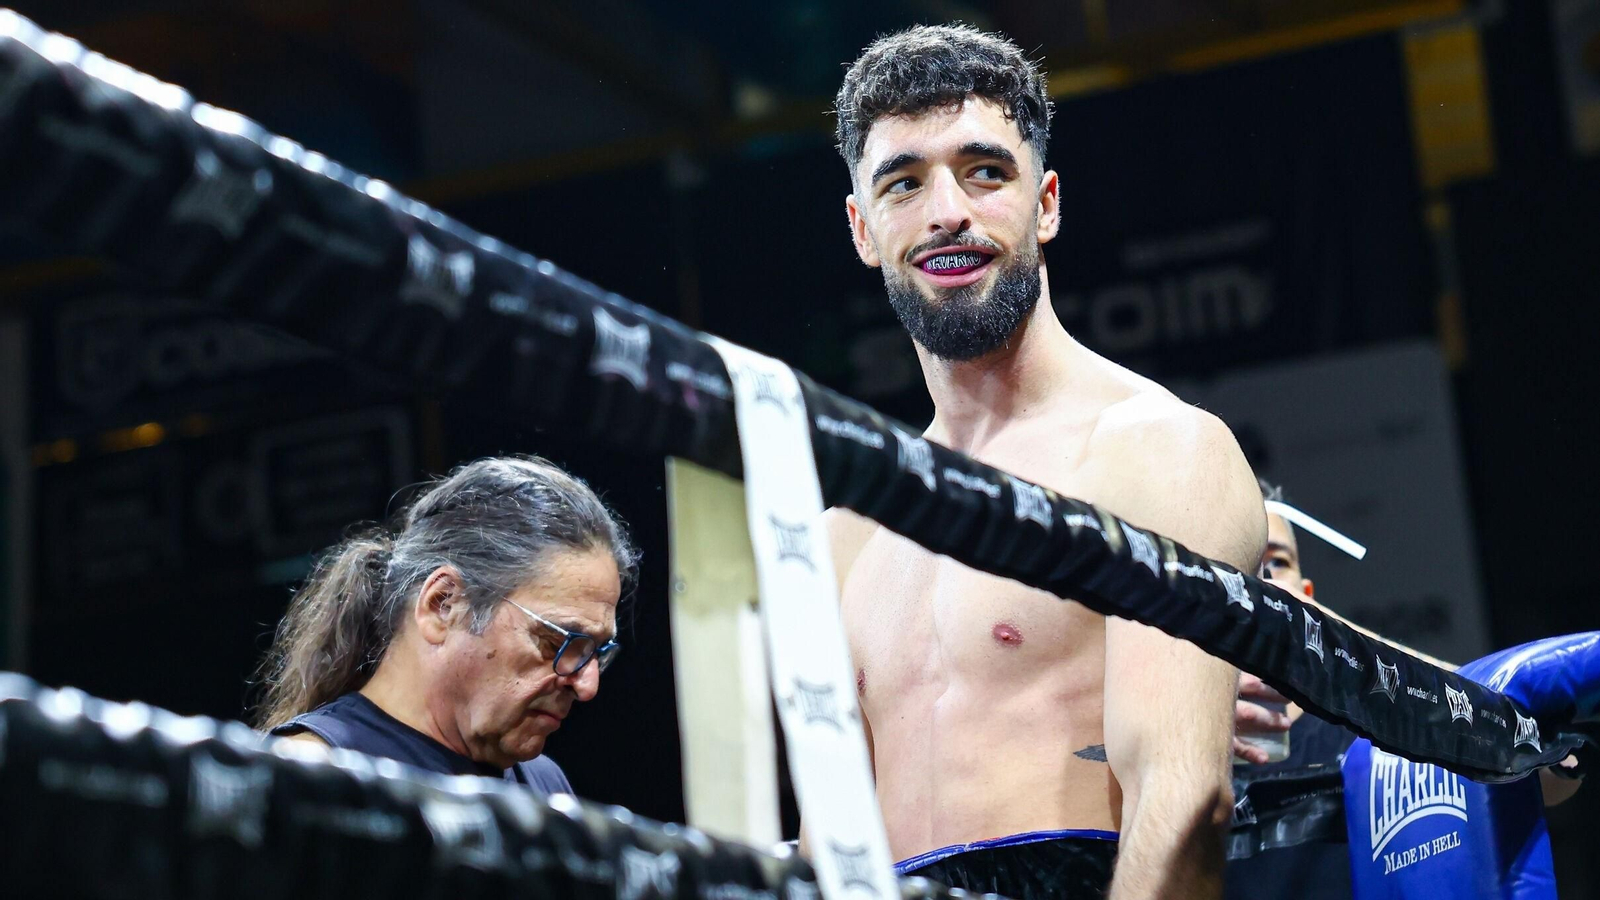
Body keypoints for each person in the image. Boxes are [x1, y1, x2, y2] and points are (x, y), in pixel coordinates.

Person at [823, 24, 1267, 900]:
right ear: (863, 229)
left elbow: (1181, 805)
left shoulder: (1157, 452)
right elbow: (831, 838)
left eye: (984, 172)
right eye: (903, 184)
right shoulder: (850, 530)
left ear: (1047, 203)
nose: (947, 211)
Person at [1227, 482, 1583, 900]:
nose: (1262, 580)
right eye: (1242, 559)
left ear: (1308, 593)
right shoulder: (1165, 735)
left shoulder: (1371, 724)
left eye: (1277, 561)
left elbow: (1552, 774)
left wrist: (1333, 635)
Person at [254, 455, 637, 794]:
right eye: (557, 641)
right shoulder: (308, 776)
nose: (587, 686)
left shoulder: (547, 786)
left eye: (595, 653)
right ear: (443, 604)